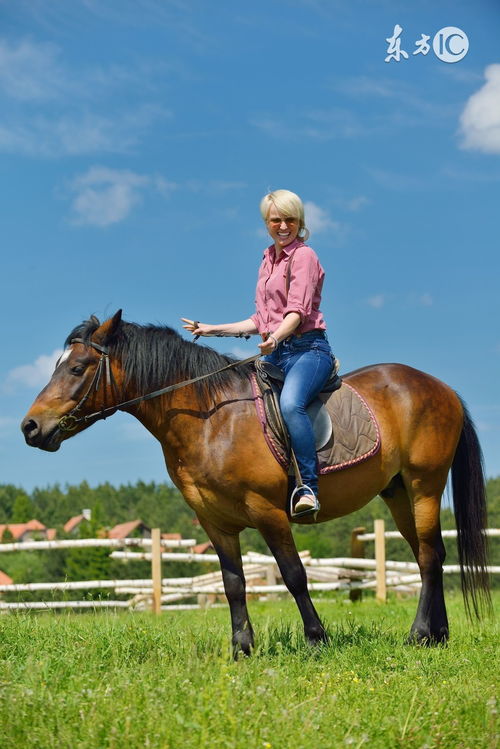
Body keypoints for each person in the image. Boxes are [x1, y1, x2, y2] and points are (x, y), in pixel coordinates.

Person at [182, 189, 334, 517]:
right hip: (276, 351)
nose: (283, 226)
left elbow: (296, 312)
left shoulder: (304, 256)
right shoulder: (268, 259)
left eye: (289, 220)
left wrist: (276, 337)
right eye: (275, 220)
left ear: (300, 222)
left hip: (308, 350)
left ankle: (308, 486)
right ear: (266, 224)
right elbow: (260, 320)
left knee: (291, 405)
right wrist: (211, 329)